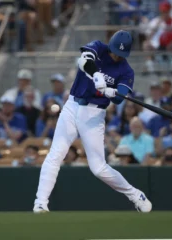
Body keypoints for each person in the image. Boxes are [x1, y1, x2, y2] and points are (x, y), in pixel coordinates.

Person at [33, 30, 152, 213]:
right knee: (56, 154)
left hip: (94, 113)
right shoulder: (98, 47)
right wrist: (96, 74)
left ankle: (135, 195)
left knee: (98, 168)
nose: (115, 56)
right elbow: (83, 61)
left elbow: (119, 98)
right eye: (114, 51)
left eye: (120, 54)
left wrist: (112, 92)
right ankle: (40, 203)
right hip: (72, 105)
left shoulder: (126, 70)